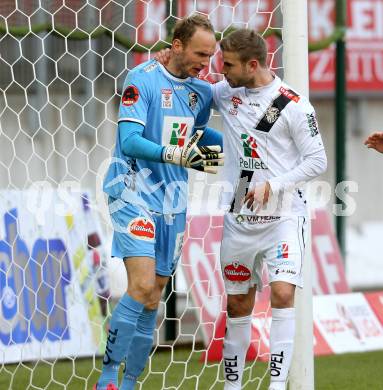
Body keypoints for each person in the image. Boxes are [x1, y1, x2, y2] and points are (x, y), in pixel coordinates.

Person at [156, 29, 327, 390]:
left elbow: (317, 161)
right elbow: (190, 83)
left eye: (229, 65)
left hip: (284, 218)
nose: (221, 71)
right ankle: (233, 386)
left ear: (253, 64)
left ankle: (277, 386)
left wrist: (274, 184)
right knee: (237, 306)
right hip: (239, 222)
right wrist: (165, 61)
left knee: (282, 293)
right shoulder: (226, 92)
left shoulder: (293, 105)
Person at [95, 14, 224, 390]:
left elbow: (196, 132)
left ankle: (130, 380)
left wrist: (220, 146)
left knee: (153, 297)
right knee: (139, 285)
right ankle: (107, 379)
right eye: (200, 54)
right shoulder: (141, 79)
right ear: (177, 45)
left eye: (211, 55)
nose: (206, 62)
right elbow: (131, 141)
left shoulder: (200, 91)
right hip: (132, 191)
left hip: (173, 200)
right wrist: (180, 156)